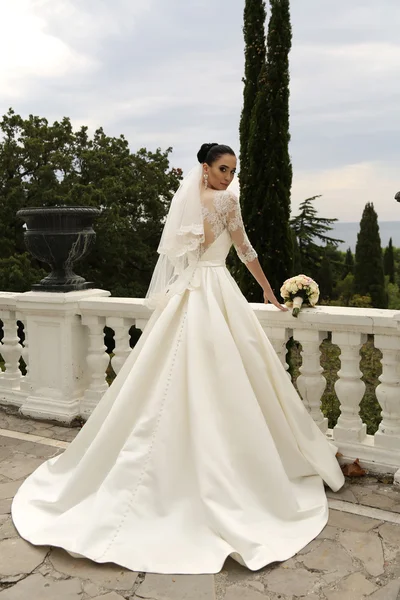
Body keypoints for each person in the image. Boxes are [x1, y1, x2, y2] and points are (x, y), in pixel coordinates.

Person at [12, 143, 344, 575]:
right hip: (216, 291)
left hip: (190, 294)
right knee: (227, 376)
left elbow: (180, 258)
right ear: (205, 169)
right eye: (223, 169)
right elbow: (245, 250)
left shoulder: (190, 204)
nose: (229, 177)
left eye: (233, 171)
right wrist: (265, 288)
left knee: (167, 377)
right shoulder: (226, 202)